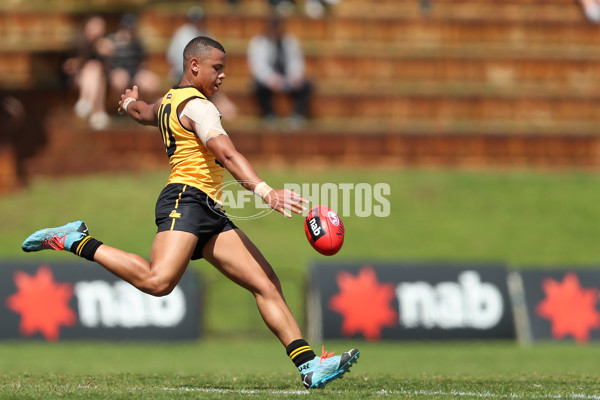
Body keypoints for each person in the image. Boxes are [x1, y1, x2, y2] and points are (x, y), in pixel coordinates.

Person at [21, 36, 359, 390]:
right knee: (158, 282)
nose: (223, 75)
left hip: (208, 209)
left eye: (224, 68)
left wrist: (130, 102)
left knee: (265, 282)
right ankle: (75, 239)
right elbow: (228, 156)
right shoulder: (199, 107)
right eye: (217, 67)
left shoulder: (169, 100)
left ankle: (309, 366)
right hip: (185, 199)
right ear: (194, 66)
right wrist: (266, 191)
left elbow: (143, 112)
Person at [166, 6, 237, 120]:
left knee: (228, 112)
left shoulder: (207, 33)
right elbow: (175, 60)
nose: (196, 22)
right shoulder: (181, 34)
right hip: (184, 78)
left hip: (206, 80)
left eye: (198, 19)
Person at [247, 16, 312, 129]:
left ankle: (297, 115)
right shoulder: (258, 42)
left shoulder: (290, 41)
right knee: (257, 86)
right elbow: (258, 67)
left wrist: (294, 76)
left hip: (288, 79)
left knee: (307, 85)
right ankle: (268, 115)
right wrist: (271, 79)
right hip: (269, 80)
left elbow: (296, 62)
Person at [62, 15, 112, 130]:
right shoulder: (78, 43)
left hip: (103, 81)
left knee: (94, 68)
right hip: (80, 79)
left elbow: (110, 69)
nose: (97, 29)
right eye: (94, 26)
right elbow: (66, 66)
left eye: (100, 26)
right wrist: (76, 65)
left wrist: (108, 55)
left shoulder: (105, 45)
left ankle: (85, 101)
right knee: (91, 68)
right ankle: (98, 111)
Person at [106, 14, 160, 107]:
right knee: (120, 80)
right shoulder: (111, 41)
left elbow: (144, 62)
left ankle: (143, 109)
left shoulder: (137, 42)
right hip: (117, 72)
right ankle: (117, 108)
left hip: (135, 72)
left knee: (150, 82)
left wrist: (144, 72)